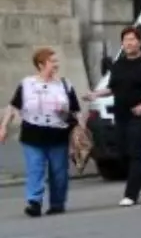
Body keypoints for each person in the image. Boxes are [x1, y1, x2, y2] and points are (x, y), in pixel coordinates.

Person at [0, 48, 84, 217]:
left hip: (58, 134)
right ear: (41, 64)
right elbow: (13, 107)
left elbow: (76, 111)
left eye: (56, 61)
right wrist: (3, 127)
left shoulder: (65, 85)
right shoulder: (27, 84)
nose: (56, 65)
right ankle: (34, 202)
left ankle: (57, 203)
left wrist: (80, 132)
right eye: (52, 61)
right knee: (35, 169)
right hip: (32, 134)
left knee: (59, 172)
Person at [85, 26, 141, 207]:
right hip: (120, 114)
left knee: (135, 154)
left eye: (133, 39)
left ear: (139, 42)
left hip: (139, 115)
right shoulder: (118, 64)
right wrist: (96, 94)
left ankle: (130, 194)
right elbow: (113, 88)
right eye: (126, 40)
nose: (129, 43)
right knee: (123, 153)